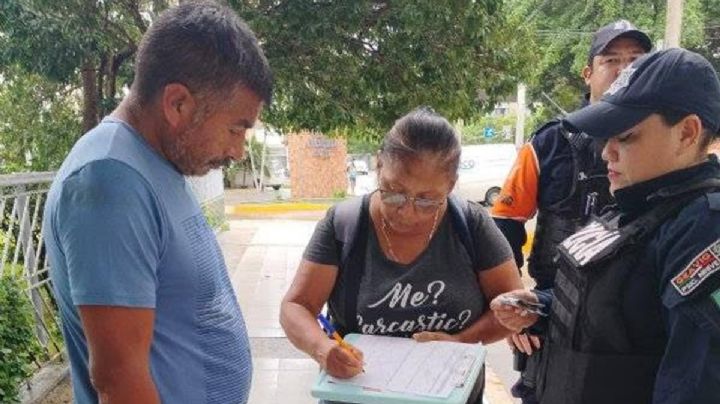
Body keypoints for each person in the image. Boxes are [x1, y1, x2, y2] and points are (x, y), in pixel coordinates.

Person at [43, 2, 273, 403]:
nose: (238, 150)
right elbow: (119, 380)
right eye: (236, 128)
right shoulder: (109, 181)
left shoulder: (157, 164)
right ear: (177, 104)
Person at [491, 48, 720, 404]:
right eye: (606, 137)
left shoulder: (703, 229)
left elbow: (694, 386)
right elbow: (624, 314)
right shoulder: (638, 205)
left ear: (687, 133)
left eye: (625, 137)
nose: (605, 153)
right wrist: (540, 305)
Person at [280, 108, 524, 403]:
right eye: (393, 192)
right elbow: (296, 305)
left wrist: (461, 341)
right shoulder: (344, 225)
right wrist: (323, 349)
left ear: (451, 184)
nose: (407, 212)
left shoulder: (471, 226)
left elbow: (513, 307)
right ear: (379, 166)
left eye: (427, 199)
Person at [490, 20, 652, 403]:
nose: (624, 69)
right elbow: (504, 225)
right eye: (611, 59)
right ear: (588, 73)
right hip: (550, 307)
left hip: (629, 316)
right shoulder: (549, 142)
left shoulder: (660, 138)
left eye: (636, 60)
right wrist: (517, 304)